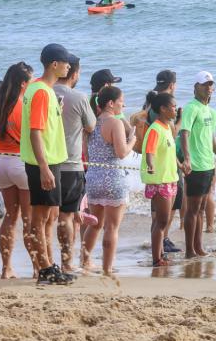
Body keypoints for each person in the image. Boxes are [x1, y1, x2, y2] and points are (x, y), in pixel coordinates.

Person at [20, 44, 74, 285]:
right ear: (54, 64)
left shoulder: (37, 88)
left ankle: (49, 265)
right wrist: (43, 167)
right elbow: (35, 132)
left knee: (49, 215)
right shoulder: (41, 91)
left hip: (48, 160)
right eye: (65, 62)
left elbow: (40, 123)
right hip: (44, 161)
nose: (68, 66)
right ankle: (45, 270)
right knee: (40, 218)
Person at [80, 86, 136, 276]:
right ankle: (107, 268)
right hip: (113, 178)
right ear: (111, 103)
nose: (123, 105)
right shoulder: (115, 122)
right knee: (111, 227)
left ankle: (85, 262)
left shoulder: (91, 123)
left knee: (95, 224)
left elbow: (87, 154)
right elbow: (121, 153)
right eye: (121, 101)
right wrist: (132, 140)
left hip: (94, 177)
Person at [0, 62, 37, 279]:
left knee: (10, 216)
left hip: (1, 163)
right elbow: (34, 139)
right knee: (29, 219)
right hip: (21, 163)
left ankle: (6, 268)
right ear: (22, 83)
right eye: (30, 81)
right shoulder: (23, 106)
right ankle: (37, 267)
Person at [54, 54, 96, 272]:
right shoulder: (79, 97)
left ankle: (41, 264)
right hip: (70, 163)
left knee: (44, 216)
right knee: (67, 215)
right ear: (75, 73)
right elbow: (91, 126)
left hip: (44, 163)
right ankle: (66, 263)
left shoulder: (45, 91)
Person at [179, 71, 216, 259]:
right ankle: (189, 250)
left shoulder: (211, 112)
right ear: (196, 87)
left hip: (208, 165)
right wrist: (187, 158)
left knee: (201, 209)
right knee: (192, 209)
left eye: (210, 84)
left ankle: (198, 247)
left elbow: (211, 137)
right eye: (204, 84)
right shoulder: (191, 108)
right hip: (196, 166)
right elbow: (184, 133)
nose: (208, 88)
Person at [139, 70, 183, 254]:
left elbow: (169, 148)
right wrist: (150, 164)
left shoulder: (158, 117)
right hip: (160, 177)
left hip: (168, 174)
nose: (175, 109)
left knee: (160, 218)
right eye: (173, 107)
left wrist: (180, 165)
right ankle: (158, 252)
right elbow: (150, 149)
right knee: (161, 219)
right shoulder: (158, 126)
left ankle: (159, 250)